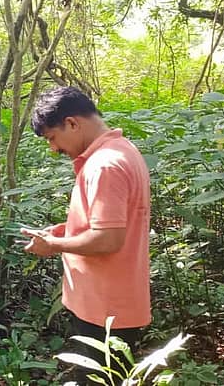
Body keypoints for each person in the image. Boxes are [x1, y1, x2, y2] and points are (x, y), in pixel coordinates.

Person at [20, 86, 151, 383]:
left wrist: (54, 245)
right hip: (105, 305)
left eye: (52, 138)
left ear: (72, 123)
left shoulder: (105, 165)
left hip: (105, 312)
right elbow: (112, 225)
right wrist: (63, 232)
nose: (53, 148)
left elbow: (108, 239)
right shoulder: (121, 151)